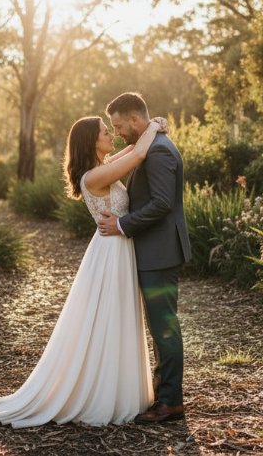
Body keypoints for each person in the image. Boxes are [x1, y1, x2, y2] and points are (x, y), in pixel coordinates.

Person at [0, 114, 164, 428]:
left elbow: (130, 153)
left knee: (115, 317)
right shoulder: (93, 177)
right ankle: (104, 392)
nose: (111, 136)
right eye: (106, 132)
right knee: (108, 318)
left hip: (116, 247)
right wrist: (155, 127)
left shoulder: (101, 167)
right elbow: (140, 154)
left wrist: (148, 125)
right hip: (111, 252)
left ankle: (119, 386)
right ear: (91, 141)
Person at [97, 91, 191, 424]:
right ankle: (163, 390)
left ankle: (171, 402)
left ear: (136, 120)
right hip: (153, 251)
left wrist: (122, 224)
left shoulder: (160, 151)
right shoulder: (149, 146)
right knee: (159, 326)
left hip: (160, 253)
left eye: (120, 125)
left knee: (165, 328)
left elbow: (163, 204)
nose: (119, 132)